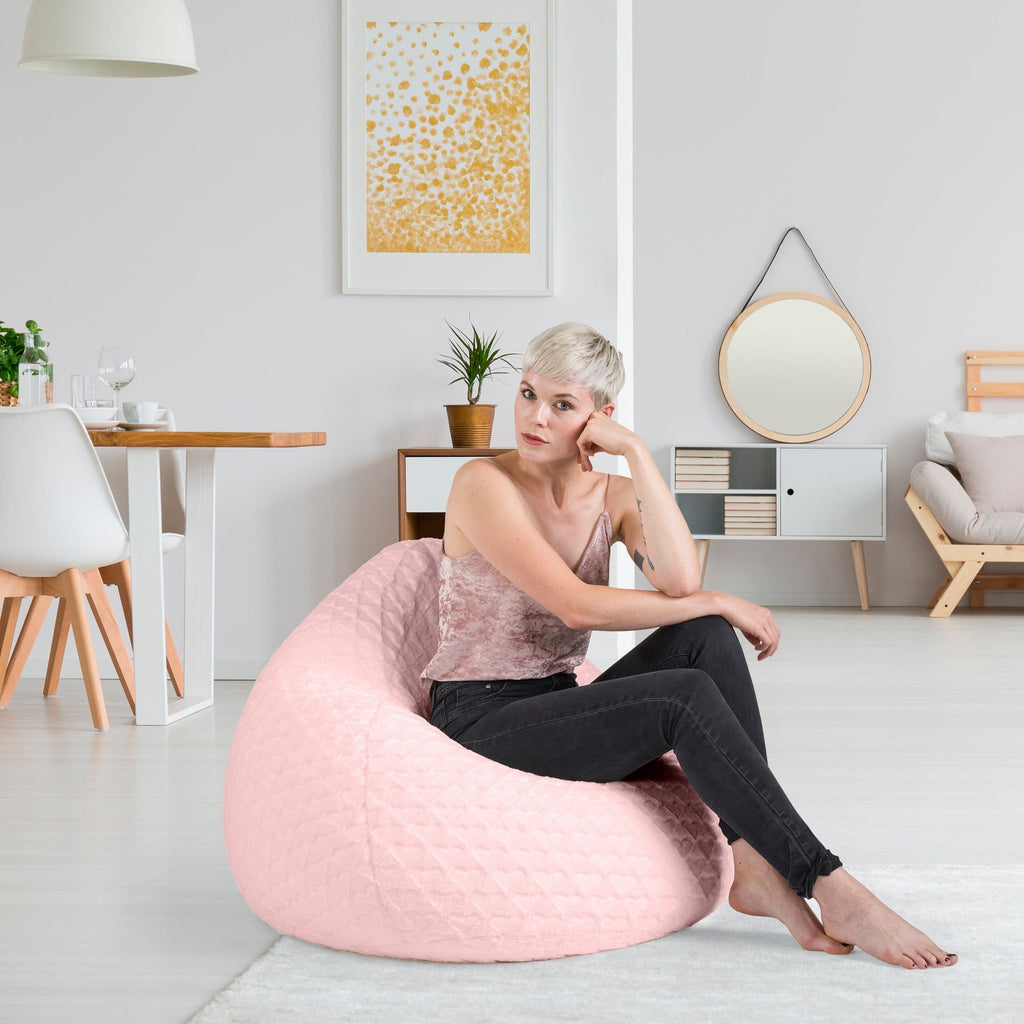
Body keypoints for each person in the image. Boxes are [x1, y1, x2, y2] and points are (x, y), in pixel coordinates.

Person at [422, 322, 958, 970]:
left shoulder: (611, 495)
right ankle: (825, 880)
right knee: (687, 677)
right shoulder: (483, 484)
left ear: (601, 417)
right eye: (529, 394)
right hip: (482, 716)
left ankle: (753, 864)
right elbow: (573, 602)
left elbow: (681, 581)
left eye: (562, 404)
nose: (536, 417)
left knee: (703, 637)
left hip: (558, 702)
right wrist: (718, 600)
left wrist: (639, 456)